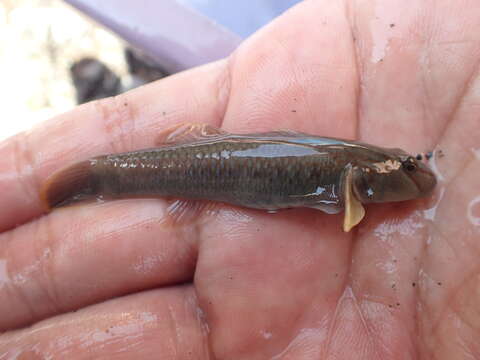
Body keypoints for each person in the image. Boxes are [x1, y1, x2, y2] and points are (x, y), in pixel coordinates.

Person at [0, 0, 478, 358]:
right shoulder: (352, 175)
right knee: (115, 176)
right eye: (408, 167)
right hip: (207, 160)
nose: (417, 175)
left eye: (408, 165)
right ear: (363, 178)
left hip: (216, 159)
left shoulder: (355, 171)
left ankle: (102, 168)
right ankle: (98, 177)